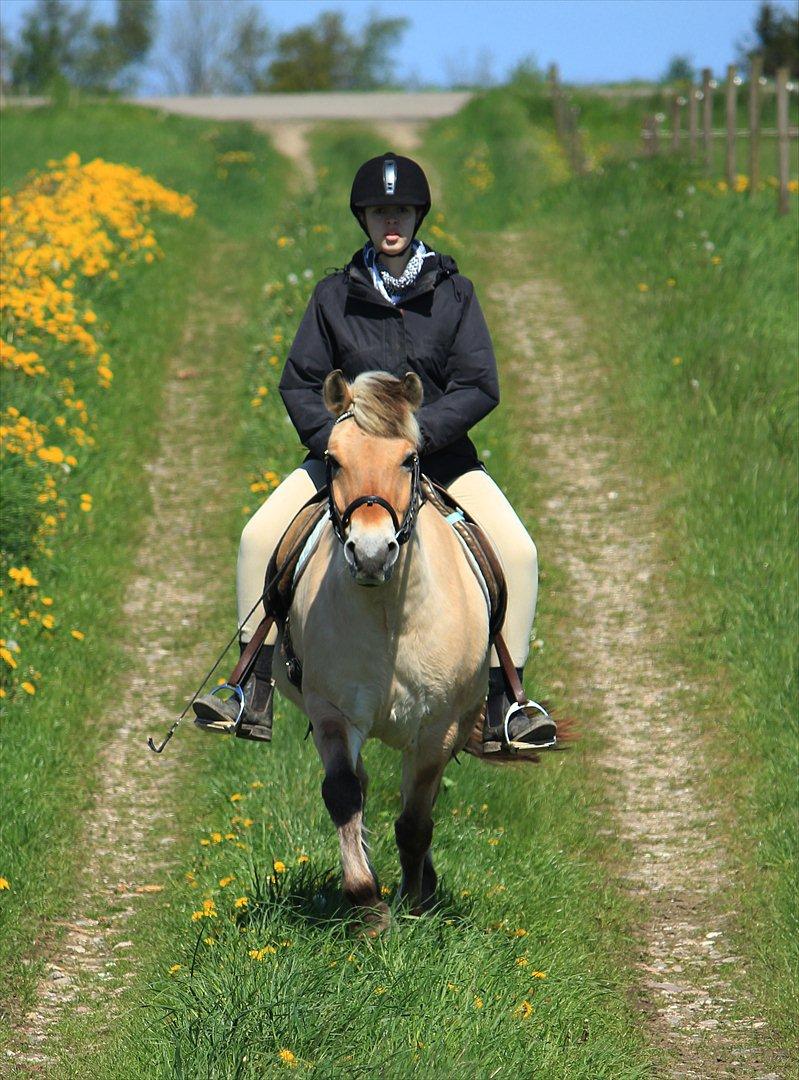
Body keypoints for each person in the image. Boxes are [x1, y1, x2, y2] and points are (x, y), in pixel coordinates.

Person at [193, 152, 555, 752]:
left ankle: (506, 705)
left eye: (403, 210)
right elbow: (300, 383)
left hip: (437, 461)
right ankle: (247, 690)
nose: (392, 221)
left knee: (517, 551)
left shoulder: (455, 294)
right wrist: (339, 442)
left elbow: (479, 384)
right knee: (258, 538)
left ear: (418, 215)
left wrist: (417, 437)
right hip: (350, 465)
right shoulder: (333, 296)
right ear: (364, 217)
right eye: (381, 210)